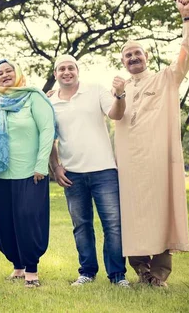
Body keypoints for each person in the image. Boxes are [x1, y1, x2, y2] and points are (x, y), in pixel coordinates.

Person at [115, 0, 189, 287]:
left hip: (158, 161)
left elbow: (187, 53)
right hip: (128, 165)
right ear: (122, 62)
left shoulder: (166, 78)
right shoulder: (119, 87)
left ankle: (159, 274)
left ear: (146, 57)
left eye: (138, 53)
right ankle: (141, 270)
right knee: (132, 213)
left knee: (161, 210)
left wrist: (187, 18)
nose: (134, 58)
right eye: (128, 56)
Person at [47, 54, 129, 287]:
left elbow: (116, 114)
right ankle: (87, 272)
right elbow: (49, 139)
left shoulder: (95, 90)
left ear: (77, 71)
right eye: (61, 69)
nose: (66, 72)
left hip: (104, 171)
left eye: (70, 68)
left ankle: (117, 275)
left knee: (112, 224)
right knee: (81, 225)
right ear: (55, 74)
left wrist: (120, 94)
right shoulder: (50, 103)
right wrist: (55, 167)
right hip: (72, 173)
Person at [0, 59, 55, 288]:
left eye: (9, 71)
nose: (4, 75)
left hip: (30, 172)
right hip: (1, 172)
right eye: (0, 73)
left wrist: (41, 164)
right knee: (5, 223)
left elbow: (47, 130)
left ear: (18, 73)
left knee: (28, 219)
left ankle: (32, 270)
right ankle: (17, 266)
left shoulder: (34, 96)